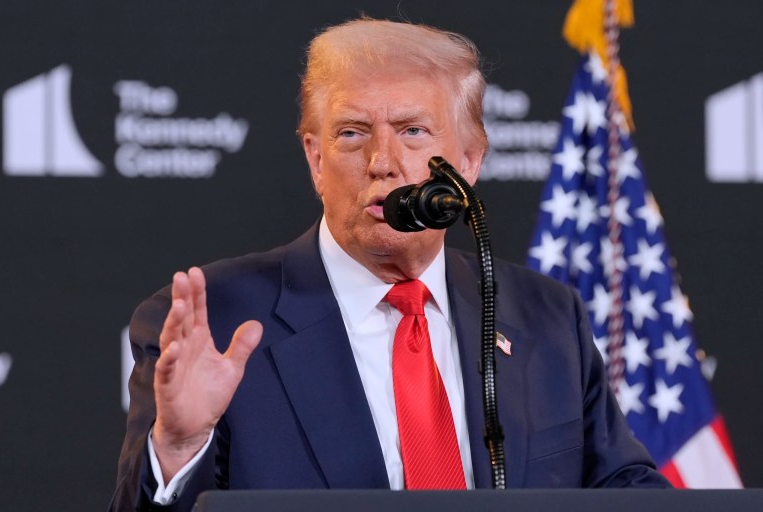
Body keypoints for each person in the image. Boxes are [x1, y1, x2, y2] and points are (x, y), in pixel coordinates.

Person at [110, 17, 669, 512]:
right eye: (352, 133)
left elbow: (624, 488)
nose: (383, 162)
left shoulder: (546, 315)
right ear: (316, 159)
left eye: (413, 131)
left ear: (469, 161)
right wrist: (179, 447)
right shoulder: (219, 323)